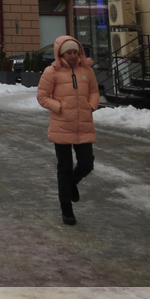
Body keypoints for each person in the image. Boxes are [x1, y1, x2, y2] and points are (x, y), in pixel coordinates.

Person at [36, 34, 101, 226]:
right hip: (61, 125)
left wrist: (91, 106)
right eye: (69, 52)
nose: (73, 56)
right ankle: (66, 208)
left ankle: (72, 184)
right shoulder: (52, 72)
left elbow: (94, 91)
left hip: (84, 124)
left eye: (75, 52)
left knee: (87, 163)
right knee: (64, 167)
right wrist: (59, 107)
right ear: (60, 53)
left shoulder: (87, 70)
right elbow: (42, 96)